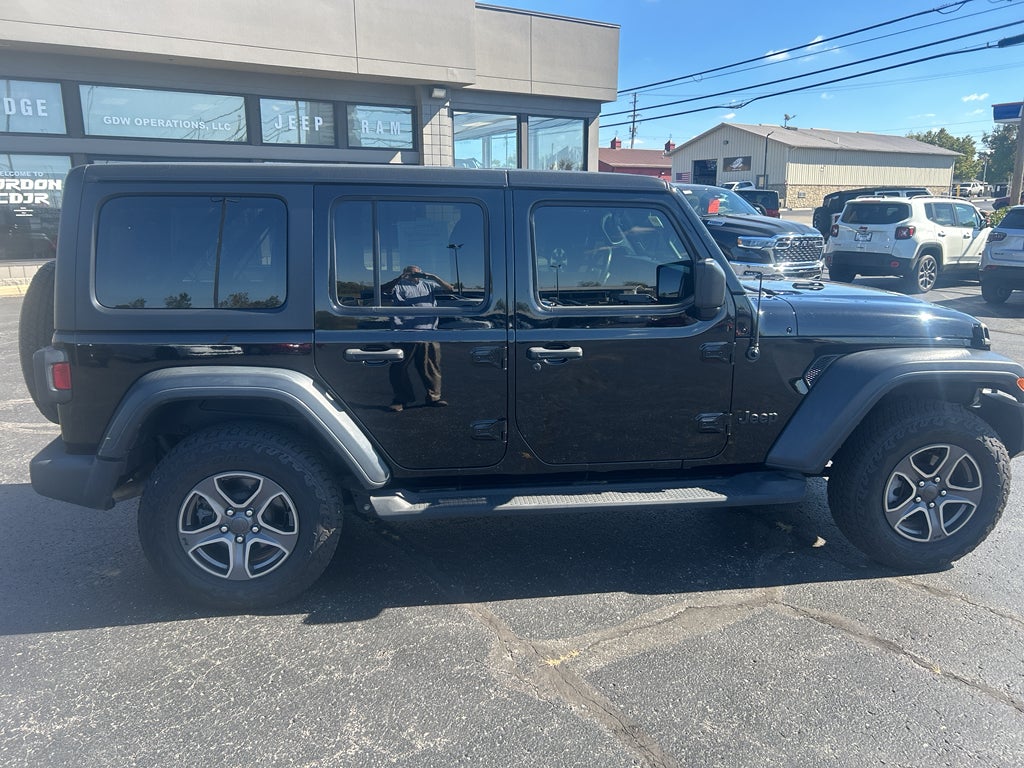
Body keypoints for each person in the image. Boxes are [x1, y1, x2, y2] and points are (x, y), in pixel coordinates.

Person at [381, 265, 453, 411]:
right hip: (404, 333)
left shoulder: (429, 285)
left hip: (429, 332)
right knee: (399, 367)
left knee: (431, 367)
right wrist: (399, 278)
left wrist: (434, 277)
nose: (415, 275)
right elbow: (383, 289)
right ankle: (401, 399)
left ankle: (434, 397)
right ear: (404, 273)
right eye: (411, 272)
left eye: (418, 273)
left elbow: (450, 289)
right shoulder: (399, 285)